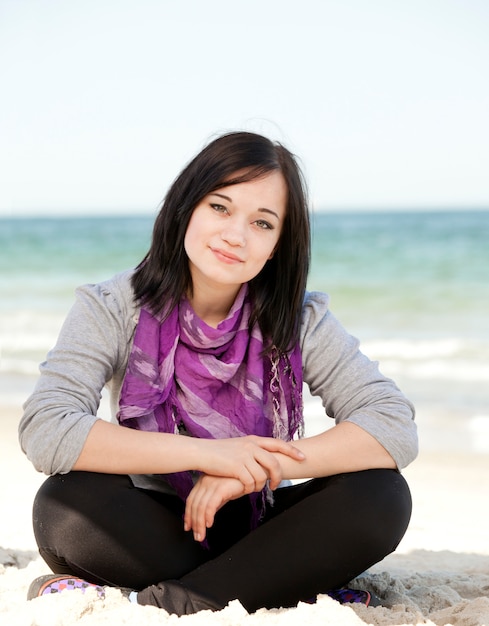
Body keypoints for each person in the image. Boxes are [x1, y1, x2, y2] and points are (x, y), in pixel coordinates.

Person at [20, 131, 417, 615]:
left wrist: (254, 471)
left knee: (382, 495)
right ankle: (273, 583)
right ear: (187, 207)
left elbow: (392, 423)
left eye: (263, 223)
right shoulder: (111, 307)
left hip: (262, 519)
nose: (236, 235)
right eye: (220, 208)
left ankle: (186, 599)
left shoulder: (299, 318)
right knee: (64, 508)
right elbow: (47, 427)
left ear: (277, 245)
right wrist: (214, 454)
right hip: (160, 522)